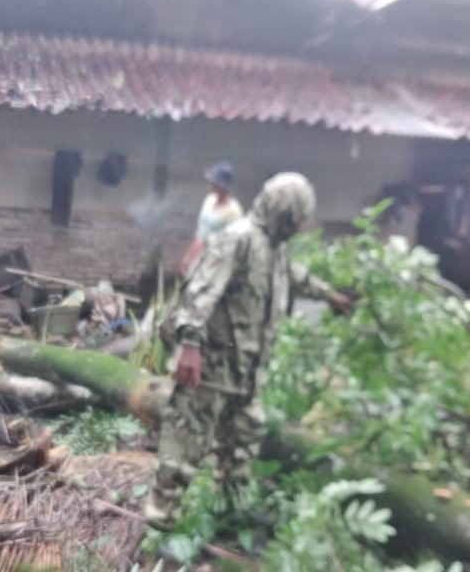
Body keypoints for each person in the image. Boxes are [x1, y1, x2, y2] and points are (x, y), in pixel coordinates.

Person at [146, 172, 353, 530]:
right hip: (210, 368)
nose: (301, 227)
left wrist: (330, 295)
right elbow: (199, 293)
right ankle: (160, 520)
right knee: (185, 443)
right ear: (284, 214)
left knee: (243, 440)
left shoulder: (274, 249)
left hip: (246, 372)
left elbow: (296, 276)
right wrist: (190, 346)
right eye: (298, 219)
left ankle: (229, 509)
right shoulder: (237, 240)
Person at [180, 160, 243, 276]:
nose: (209, 183)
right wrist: (189, 256)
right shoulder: (209, 200)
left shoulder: (233, 211)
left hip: (217, 261)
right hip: (200, 255)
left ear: (221, 185)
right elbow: (200, 233)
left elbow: (236, 242)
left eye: (213, 181)